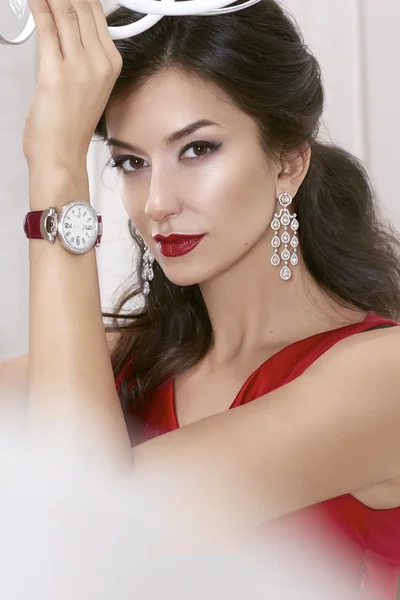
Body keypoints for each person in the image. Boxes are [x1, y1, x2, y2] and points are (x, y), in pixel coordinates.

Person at [1, 0, 400, 597]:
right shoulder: (125, 361)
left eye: (196, 149)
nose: (157, 202)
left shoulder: (382, 377)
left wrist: (57, 165)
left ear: (288, 160)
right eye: (131, 162)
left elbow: (82, 546)